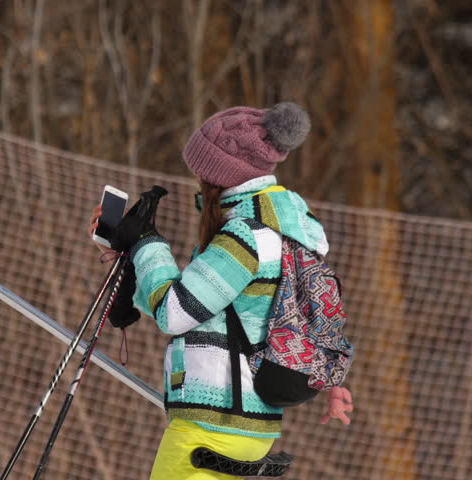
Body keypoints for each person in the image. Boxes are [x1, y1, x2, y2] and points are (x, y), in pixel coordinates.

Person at [89, 103, 353, 479]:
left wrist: (147, 242)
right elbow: (200, 310)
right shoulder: (280, 231)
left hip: (211, 425)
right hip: (248, 425)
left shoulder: (246, 236)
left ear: (220, 174)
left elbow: (174, 312)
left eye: (200, 171)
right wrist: (127, 255)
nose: (196, 180)